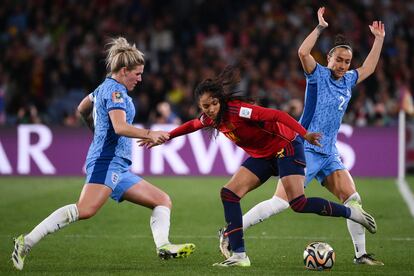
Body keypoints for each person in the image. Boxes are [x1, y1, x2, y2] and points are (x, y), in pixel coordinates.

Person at [141, 66, 377, 267]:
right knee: (229, 193)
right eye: (205, 106)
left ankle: (351, 213)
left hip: (287, 147)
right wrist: (167, 136)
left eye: (213, 104)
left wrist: (303, 135)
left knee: (297, 203)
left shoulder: (238, 110)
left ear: (220, 101)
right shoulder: (210, 118)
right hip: (264, 156)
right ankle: (239, 255)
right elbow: (192, 124)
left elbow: (277, 115)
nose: (210, 109)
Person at [11, 37, 195, 271]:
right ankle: (25, 242)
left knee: (162, 200)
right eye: (137, 74)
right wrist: (149, 133)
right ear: (124, 70)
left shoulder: (103, 88)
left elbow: (82, 108)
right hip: (106, 161)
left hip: (117, 166)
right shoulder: (116, 92)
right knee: (85, 209)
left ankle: (164, 246)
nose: (140, 79)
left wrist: (96, 129)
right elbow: (119, 127)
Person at [227, 7, 385, 265]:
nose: (343, 65)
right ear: (329, 58)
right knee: (280, 203)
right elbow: (302, 52)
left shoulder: (348, 80)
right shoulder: (317, 75)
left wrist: (378, 39)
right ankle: (232, 231)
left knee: (353, 199)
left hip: (329, 152)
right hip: (304, 148)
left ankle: (361, 255)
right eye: (339, 60)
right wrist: (320, 28)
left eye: (347, 61)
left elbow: (367, 67)